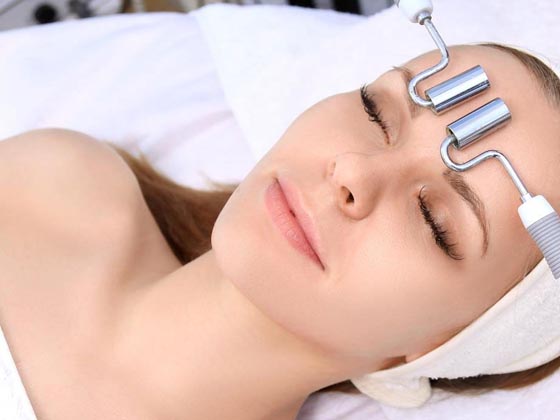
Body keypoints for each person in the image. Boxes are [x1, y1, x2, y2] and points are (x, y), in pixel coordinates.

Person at [0, 42, 558, 420]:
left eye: (434, 223)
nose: (354, 170)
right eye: (375, 111)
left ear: (441, 349)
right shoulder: (52, 183)